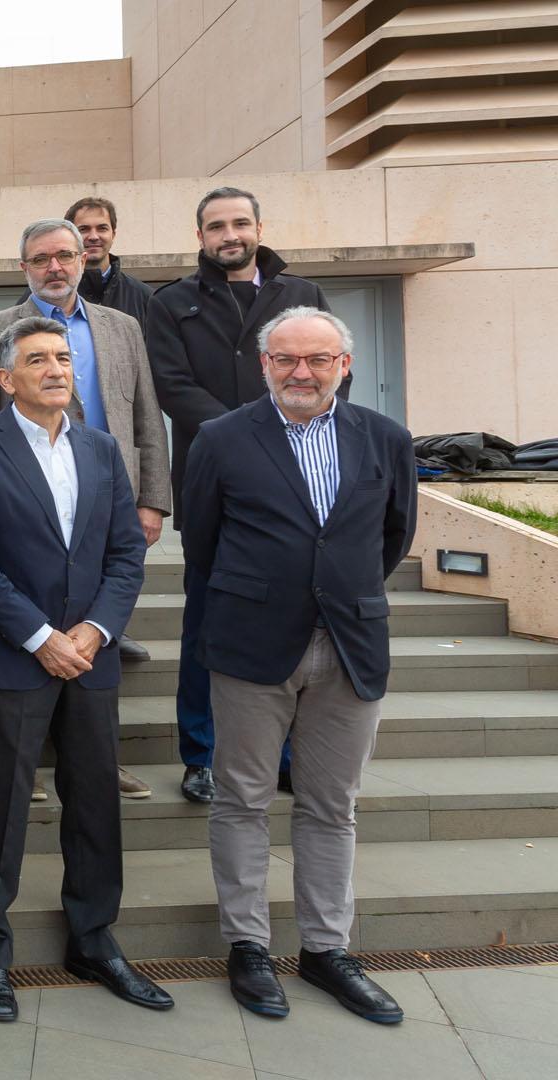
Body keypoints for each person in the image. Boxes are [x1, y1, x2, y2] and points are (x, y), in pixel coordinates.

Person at [184, 307, 416, 1025]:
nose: (302, 373)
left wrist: (334, 597)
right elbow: (203, 541)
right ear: (264, 366)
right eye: (286, 360)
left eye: (318, 359)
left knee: (331, 806)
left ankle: (326, 949)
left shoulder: (385, 439)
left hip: (349, 646)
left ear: (343, 365)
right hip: (252, 647)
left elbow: (392, 538)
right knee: (242, 798)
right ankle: (248, 945)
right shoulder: (221, 439)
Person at [0, 314, 172, 1025]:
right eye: (38, 359)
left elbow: (125, 554)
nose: (55, 368)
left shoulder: (103, 449)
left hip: (90, 657)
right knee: (1, 807)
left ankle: (94, 940)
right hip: (14, 656)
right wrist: (41, 636)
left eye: (63, 358)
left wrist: (96, 631)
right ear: (6, 379)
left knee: (96, 802)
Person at [0, 219, 171, 783]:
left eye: (65, 256)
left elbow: (145, 412)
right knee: (29, 633)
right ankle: (25, 757)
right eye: (41, 259)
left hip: (104, 504)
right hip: (18, 515)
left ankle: (97, 759)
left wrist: (152, 497)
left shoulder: (121, 326)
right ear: (24, 267)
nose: (55, 267)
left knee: (98, 637)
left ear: (84, 259)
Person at [147, 186, 331, 804]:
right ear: (200, 236)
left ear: (259, 227)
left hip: (295, 489)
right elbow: (170, 387)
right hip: (213, 483)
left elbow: (326, 379)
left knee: (283, 625)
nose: (229, 234)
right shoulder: (171, 302)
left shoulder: (302, 296)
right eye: (216, 226)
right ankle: (201, 755)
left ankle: (279, 754)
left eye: (240, 223)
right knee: (206, 623)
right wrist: (246, 435)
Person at [66, 196, 154, 327]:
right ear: (70, 236)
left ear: (113, 234)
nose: (94, 237)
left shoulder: (145, 297)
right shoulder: (47, 295)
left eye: (102, 228)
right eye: (83, 229)